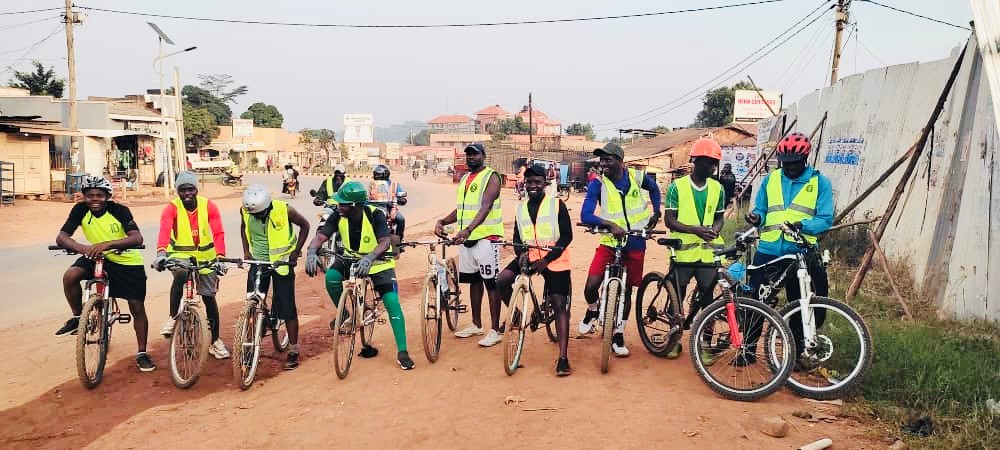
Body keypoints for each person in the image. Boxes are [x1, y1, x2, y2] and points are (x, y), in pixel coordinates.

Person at [304, 181, 415, 370]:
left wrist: (370, 258)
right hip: (351, 258)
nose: (338, 206)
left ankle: (403, 352)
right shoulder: (337, 216)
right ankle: (347, 314)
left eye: (342, 203)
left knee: (392, 303)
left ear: (354, 205)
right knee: (331, 277)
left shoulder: (375, 214)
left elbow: (385, 241)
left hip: (379, 262)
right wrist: (311, 252)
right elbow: (321, 236)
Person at [745, 132, 834, 365]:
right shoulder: (771, 179)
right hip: (769, 249)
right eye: (785, 164)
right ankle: (748, 349)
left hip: (800, 251)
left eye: (794, 164)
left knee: (800, 303)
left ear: (804, 159)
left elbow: (825, 219)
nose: (789, 168)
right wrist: (756, 217)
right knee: (756, 299)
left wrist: (803, 225)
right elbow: (762, 210)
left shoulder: (819, 183)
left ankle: (797, 355)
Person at [55, 176, 155, 372]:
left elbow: (136, 237)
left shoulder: (120, 210)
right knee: (71, 276)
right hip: (95, 256)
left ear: (108, 196)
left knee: (136, 306)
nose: (94, 199)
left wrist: (107, 244)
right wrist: (82, 248)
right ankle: (78, 318)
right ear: (84, 196)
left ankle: (142, 352)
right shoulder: (80, 210)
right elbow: (62, 236)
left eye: (100, 195)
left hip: (126, 260)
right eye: (90, 195)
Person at [579, 142, 661, 357]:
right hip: (609, 241)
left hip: (635, 239)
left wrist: (656, 213)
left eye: (608, 159)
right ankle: (593, 309)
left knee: (627, 291)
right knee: (591, 285)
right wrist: (609, 225)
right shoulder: (598, 183)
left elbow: (654, 188)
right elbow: (585, 215)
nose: (603, 164)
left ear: (620, 161)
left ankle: (618, 333)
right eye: (601, 160)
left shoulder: (636, 177)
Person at [496, 166, 574, 375]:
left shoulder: (557, 204)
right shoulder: (521, 208)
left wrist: (547, 259)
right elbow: (517, 237)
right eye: (529, 182)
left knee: (559, 303)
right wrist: (520, 252)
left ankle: (563, 358)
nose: (532, 186)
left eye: (537, 182)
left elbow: (567, 236)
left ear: (545, 184)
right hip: (530, 256)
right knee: (501, 281)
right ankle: (517, 313)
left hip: (555, 258)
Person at [152, 171, 229, 359]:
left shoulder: (209, 206)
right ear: (178, 191)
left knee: (209, 298)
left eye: (190, 189)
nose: (187, 194)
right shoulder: (171, 208)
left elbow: (218, 233)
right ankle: (172, 317)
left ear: (196, 189)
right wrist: (161, 253)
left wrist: (220, 257)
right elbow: (164, 231)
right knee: (180, 275)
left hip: (207, 257)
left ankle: (215, 342)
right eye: (182, 190)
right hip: (180, 255)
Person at [662, 138, 727, 360]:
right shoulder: (677, 187)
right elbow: (669, 220)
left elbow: (719, 219)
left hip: (708, 253)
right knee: (676, 297)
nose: (712, 167)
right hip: (682, 252)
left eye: (714, 163)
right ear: (695, 161)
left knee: (708, 299)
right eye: (709, 162)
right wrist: (695, 230)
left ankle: (705, 344)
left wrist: (715, 230)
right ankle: (673, 341)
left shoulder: (718, 189)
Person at [435, 143, 504, 347]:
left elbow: (486, 206)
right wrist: (443, 221)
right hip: (467, 240)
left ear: (484, 155)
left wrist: (468, 230)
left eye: (475, 154)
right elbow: (462, 210)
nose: (471, 158)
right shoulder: (465, 178)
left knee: (491, 284)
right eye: (468, 155)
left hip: (487, 238)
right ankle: (476, 324)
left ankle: (495, 329)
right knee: (474, 281)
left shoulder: (491, 176)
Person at [239, 184, 310, 370]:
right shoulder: (246, 211)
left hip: (282, 262)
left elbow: (305, 225)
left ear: (268, 206)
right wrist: (247, 252)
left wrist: (296, 252)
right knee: (251, 302)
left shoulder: (284, 209)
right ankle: (249, 344)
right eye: (254, 214)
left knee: (287, 307)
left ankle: (293, 349)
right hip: (258, 262)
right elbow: (243, 228)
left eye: (260, 213)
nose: (257, 216)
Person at [367, 164, 408, 242]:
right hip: (374, 207)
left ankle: (399, 239)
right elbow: (367, 196)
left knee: (400, 219)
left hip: (390, 207)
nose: (376, 176)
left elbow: (401, 195)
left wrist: (401, 199)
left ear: (385, 174)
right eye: (375, 174)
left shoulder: (394, 184)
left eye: (378, 174)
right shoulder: (372, 184)